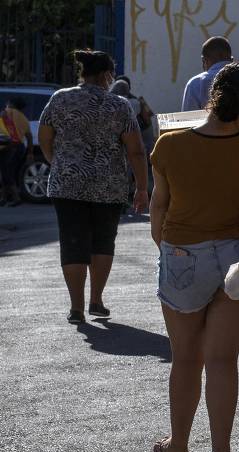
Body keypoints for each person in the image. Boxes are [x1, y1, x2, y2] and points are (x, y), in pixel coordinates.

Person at [150, 63, 239, 452]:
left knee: (185, 358)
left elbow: (158, 206)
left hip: (182, 253)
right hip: (236, 259)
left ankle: (178, 446)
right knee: (222, 360)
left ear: (211, 96)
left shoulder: (168, 145)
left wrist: (164, 245)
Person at [38, 50, 148, 324]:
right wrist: (142, 188)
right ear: (107, 75)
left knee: (72, 242)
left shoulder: (59, 99)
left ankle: (76, 308)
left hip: (67, 184)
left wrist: (59, 163)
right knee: (102, 241)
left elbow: (44, 137)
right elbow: (136, 151)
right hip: (108, 185)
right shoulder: (119, 105)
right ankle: (96, 300)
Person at [0, 97, 34, 206]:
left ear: (11, 104)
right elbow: (29, 137)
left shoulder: (6, 112)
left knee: (7, 173)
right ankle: (3, 198)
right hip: (20, 147)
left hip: (7, 147)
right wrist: (30, 153)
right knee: (9, 171)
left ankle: (16, 198)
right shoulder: (24, 118)